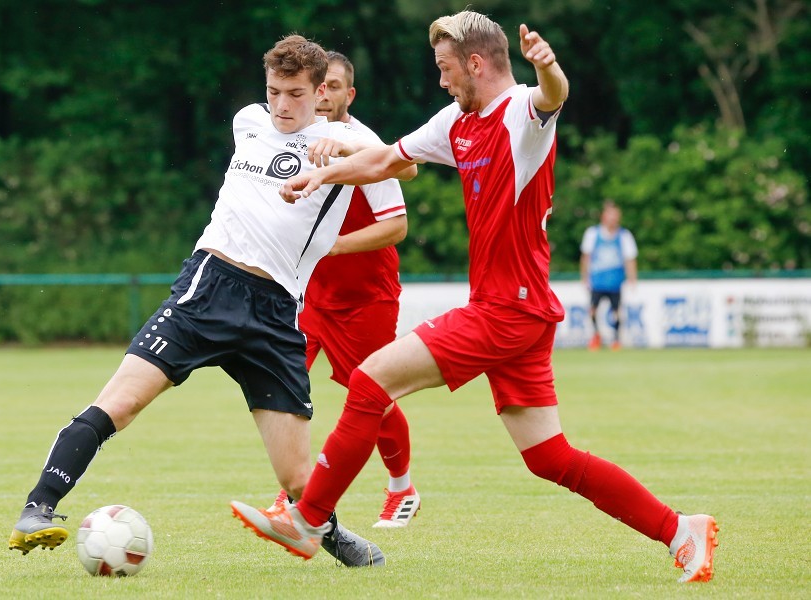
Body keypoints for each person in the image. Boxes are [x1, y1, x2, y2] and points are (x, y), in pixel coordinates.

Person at [231, 12, 719, 583]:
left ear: (476, 64)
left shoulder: (520, 113)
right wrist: (324, 174)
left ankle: (310, 519)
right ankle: (681, 528)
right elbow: (389, 158)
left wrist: (550, 67)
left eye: (445, 69)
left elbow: (552, 96)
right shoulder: (457, 122)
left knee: (369, 380)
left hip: (505, 309)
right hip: (520, 311)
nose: (440, 80)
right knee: (549, 457)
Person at [7, 34, 415, 568]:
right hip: (209, 287)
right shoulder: (249, 119)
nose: (282, 106)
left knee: (296, 476)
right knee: (122, 402)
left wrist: (341, 147)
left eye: (295, 94)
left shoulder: (351, 139)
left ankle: (329, 536)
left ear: (321, 91)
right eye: (274, 92)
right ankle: (38, 508)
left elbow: (403, 169)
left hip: (275, 312)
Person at [274, 51, 421, 529]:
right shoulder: (297, 138)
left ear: (348, 94)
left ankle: (402, 487)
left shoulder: (364, 144)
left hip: (366, 297)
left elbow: (396, 226)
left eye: (334, 87)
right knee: (284, 380)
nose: (323, 96)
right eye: (319, 87)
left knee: (369, 391)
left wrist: (330, 247)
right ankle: (291, 493)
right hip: (311, 295)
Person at [580, 201, 638, 351]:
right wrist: (584, 277)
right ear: (603, 216)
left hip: (615, 281)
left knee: (616, 311)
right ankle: (596, 335)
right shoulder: (593, 233)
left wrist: (632, 278)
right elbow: (586, 257)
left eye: (616, 216)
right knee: (593, 310)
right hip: (597, 281)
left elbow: (630, 259)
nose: (613, 219)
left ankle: (616, 339)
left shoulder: (624, 235)